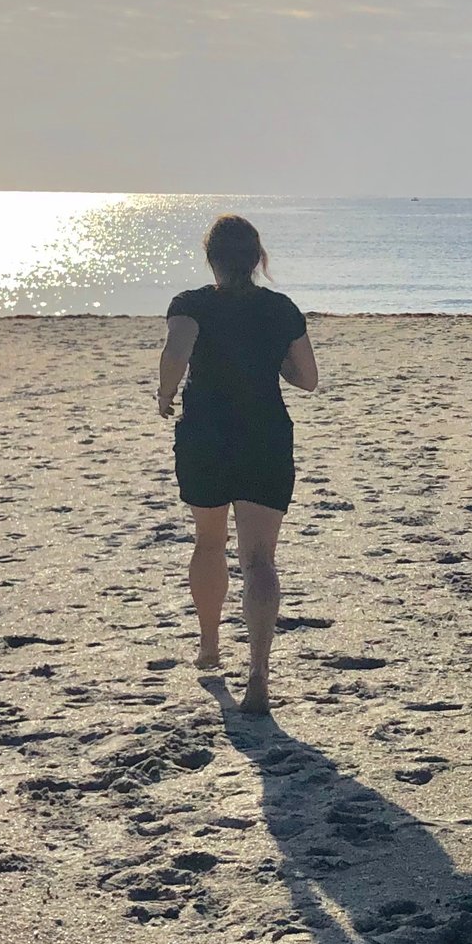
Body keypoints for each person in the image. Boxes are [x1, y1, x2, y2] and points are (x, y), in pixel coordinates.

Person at [157, 215, 319, 706]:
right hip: (265, 436)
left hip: (206, 434)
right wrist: (274, 364)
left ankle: (209, 647)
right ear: (257, 258)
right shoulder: (280, 308)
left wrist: (165, 394)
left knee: (209, 543)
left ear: (211, 257)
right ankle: (259, 676)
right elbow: (308, 378)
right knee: (259, 559)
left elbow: (176, 350)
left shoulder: (191, 303)